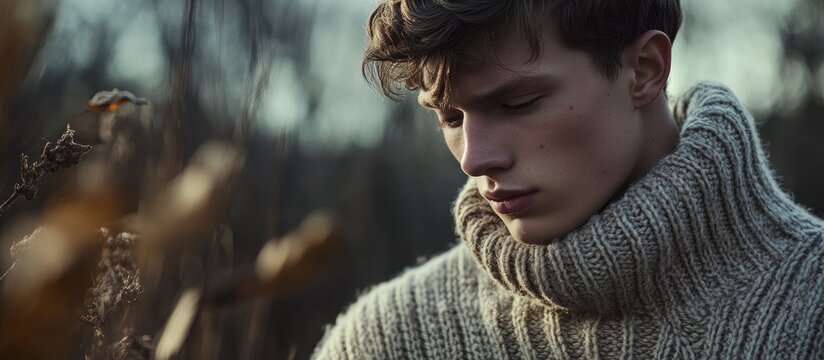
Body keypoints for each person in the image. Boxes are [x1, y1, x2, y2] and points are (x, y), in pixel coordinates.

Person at [313, 0, 824, 358]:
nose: (473, 159)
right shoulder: (389, 340)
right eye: (450, 118)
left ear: (645, 69)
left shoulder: (811, 308)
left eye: (518, 104)